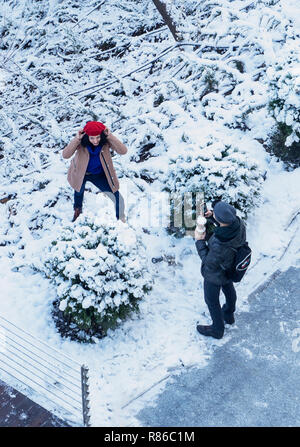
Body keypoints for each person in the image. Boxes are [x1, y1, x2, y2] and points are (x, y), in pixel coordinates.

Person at [194, 200, 246, 339]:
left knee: (211, 300)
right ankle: (229, 315)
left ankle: (217, 329)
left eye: (214, 213)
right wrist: (212, 217)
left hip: (215, 274)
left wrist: (199, 241)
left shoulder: (219, 243)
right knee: (228, 288)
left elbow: (208, 262)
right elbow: (226, 226)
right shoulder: (238, 223)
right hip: (229, 266)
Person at [62, 121, 127, 222]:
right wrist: (76, 139)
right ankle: (77, 210)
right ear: (87, 136)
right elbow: (65, 155)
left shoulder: (105, 142)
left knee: (117, 197)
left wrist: (110, 136)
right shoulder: (81, 143)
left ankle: (121, 220)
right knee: (79, 192)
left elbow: (123, 151)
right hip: (80, 174)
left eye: (98, 137)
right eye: (92, 138)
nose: (95, 141)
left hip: (99, 175)